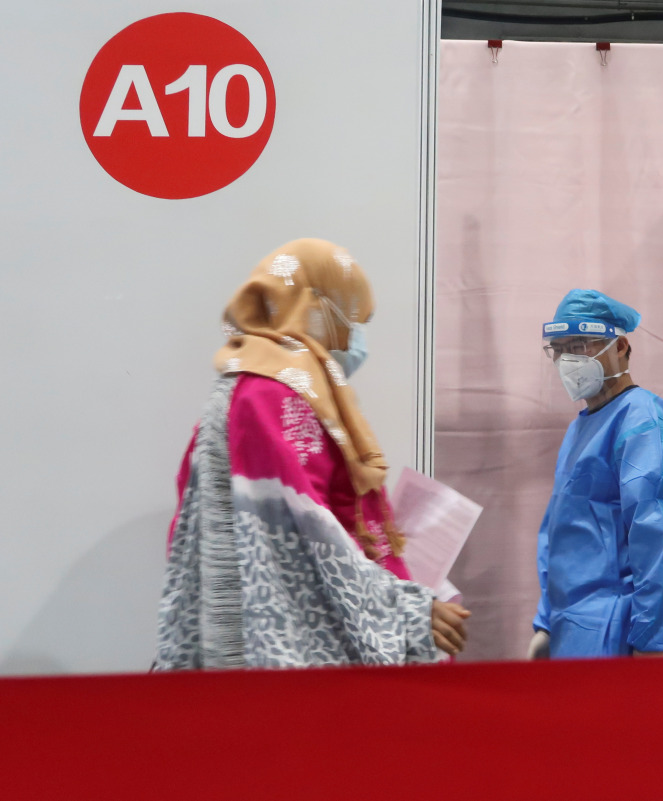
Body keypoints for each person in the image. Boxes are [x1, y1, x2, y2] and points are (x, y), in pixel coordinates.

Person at [155, 238, 469, 669]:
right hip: (287, 666)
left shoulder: (256, 387)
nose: (356, 335)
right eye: (352, 316)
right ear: (313, 306)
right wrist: (408, 611)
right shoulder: (270, 395)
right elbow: (305, 538)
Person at [529, 289, 663, 659]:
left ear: (620, 347)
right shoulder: (581, 428)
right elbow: (560, 534)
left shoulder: (643, 421)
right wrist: (546, 622)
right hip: (572, 630)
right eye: (559, 348)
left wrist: (654, 641)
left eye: (581, 344)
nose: (568, 359)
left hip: (621, 633)